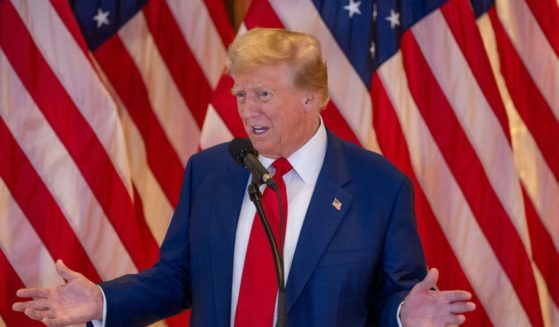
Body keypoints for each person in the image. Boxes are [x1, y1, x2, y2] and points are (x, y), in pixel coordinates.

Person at [13, 28, 475, 326]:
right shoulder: (210, 171)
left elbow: (392, 295)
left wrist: (403, 314)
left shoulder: (379, 186)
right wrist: (102, 301)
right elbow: (177, 278)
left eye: (264, 94)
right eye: (240, 93)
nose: (247, 109)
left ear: (312, 99)